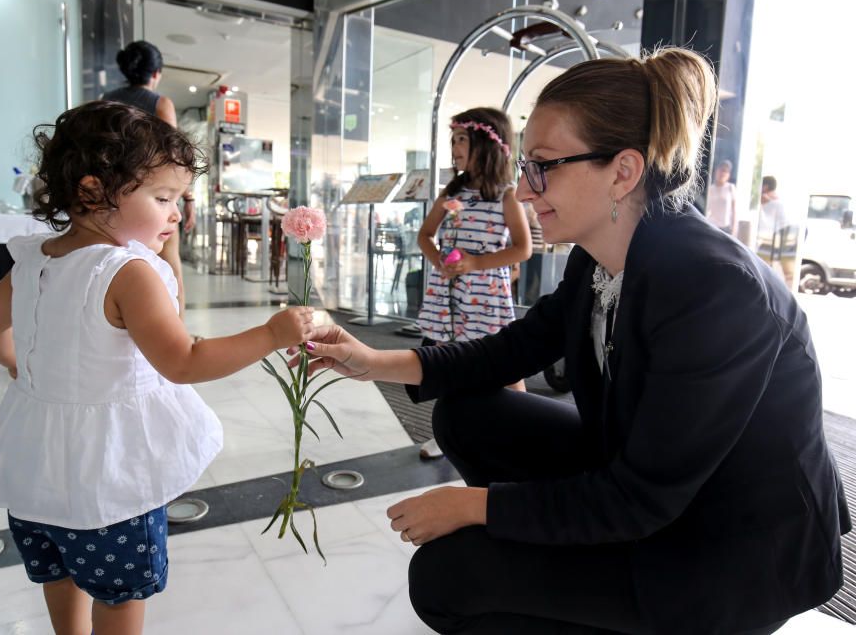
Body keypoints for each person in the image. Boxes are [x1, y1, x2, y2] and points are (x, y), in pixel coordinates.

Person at [296, 48, 849, 634]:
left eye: (542, 165)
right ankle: (573, 565)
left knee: (445, 578)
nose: (526, 189)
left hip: (732, 543)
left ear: (624, 171)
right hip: (653, 486)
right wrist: (369, 360)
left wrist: (475, 509)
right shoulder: (598, 258)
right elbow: (509, 349)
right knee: (466, 414)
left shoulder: (715, 289)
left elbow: (642, 497)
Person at [0, 101, 313, 635]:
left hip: (32, 466)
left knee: (57, 575)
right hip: (107, 477)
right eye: (164, 198)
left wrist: (20, 369)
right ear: (91, 192)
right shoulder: (126, 271)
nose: (177, 214)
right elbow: (184, 360)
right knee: (119, 596)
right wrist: (271, 334)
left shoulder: (37, 258)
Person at [415, 108, 532, 458]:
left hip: (487, 294)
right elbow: (425, 235)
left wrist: (476, 262)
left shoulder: (507, 196)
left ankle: (526, 426)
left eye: (461, 139)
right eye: (452, 140)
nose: (454, 147)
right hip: (449, 293)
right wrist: (438, 259)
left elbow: (523, 249)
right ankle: (450, 432)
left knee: (504, 364)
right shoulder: (451, 192)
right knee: (450, 359)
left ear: (487, 142)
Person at [103, 40, 195, 316]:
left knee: (112, 262)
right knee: (169, 261)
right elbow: (174, 158)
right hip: (153, 196)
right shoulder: (160, 103)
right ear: (156, 74)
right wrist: (186, 198)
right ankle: (176, 330)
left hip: (112, 196)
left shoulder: (104, 102)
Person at [705, 159, 737, 234]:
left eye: (725, 171)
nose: (722, 173)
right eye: (721, 170)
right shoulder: (710, 189)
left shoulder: (731, 188)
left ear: (728, 175)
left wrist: (734, 229)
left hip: (725, 228)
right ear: (716, 171)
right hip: (711, 227)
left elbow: (734, 211)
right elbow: (707, 209)